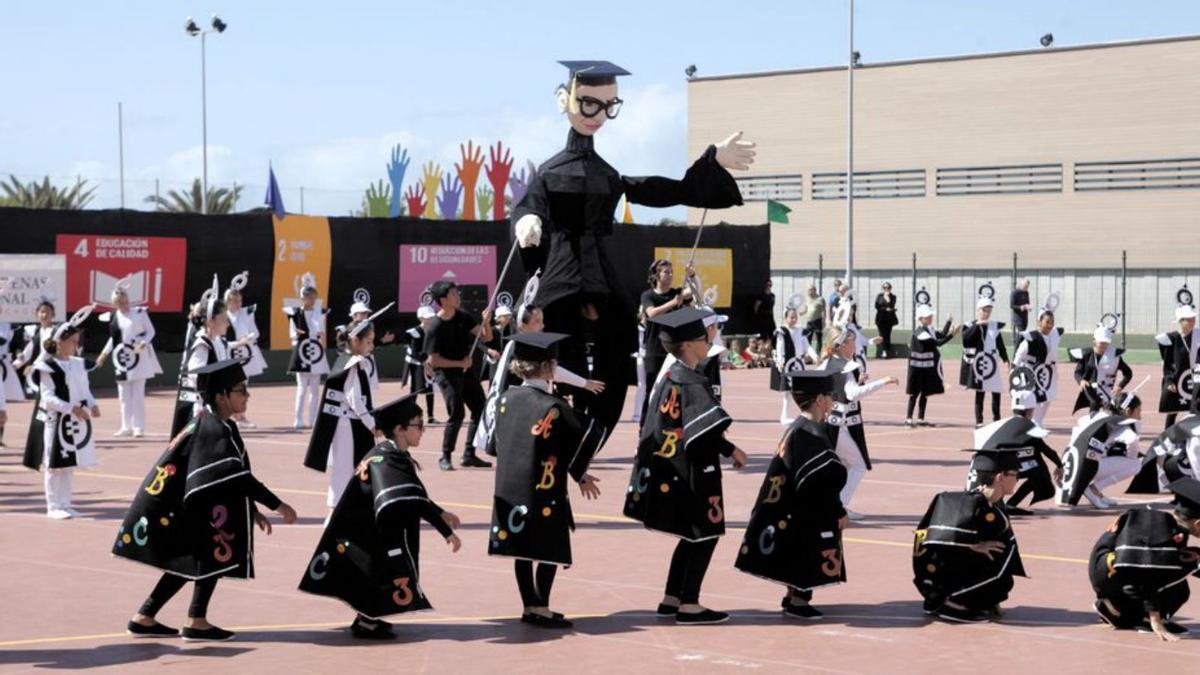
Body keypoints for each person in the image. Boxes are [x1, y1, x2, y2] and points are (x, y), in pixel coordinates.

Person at [512, 59, 752, 448]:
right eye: (589, 104)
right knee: (546, 338)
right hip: (558, 275)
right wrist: (527, 222)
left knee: (617, 335)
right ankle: (544, 424)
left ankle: (591, 431)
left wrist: (712, 160)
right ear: (565, 100)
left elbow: (665, 190)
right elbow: (528, 204)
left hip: (599, 277)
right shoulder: (550, 172)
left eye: (609, 106)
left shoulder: (608, 175)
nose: (599, 115)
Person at [116, 359, 297, 642]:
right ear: (221, 395)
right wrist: (277, 504)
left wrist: (252, 510)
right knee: (210, 553)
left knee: (194, 559)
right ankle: (196, 620)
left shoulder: (215, 423)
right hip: (175, 507)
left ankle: (145, 616)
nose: (247, 396)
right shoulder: (211, 427)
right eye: (241, 390)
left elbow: (231, 475)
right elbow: (236, 475)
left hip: (184, 505)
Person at [299, 393, 462, 640]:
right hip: (369, 528)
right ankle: (366, 621)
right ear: (400, 429)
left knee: (378, 571)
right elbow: (412, 499)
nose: (423, 431)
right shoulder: (388, 458)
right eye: (418, 425)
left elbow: (414, 493)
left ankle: (368, 618)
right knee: (378, 571)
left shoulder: (386, 452)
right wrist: (445, 530)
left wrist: (440, 511)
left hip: (365, 525)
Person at [623, 307, 748, 624]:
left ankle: (672, 596)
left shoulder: (668, 378)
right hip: (694, 472)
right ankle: (689, 603)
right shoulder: (691, 381)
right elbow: (702, 432)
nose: (709, 340)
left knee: (689, 534)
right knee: (705, 533)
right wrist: (731, 449)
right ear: (690, 345)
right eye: (703, 336)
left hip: (670, 468)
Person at [488, 332, 605, 628]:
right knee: (549, 547)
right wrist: (579, 473)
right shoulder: (553, 406)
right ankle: (541, 605)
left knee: (522, 547)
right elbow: (587, 432)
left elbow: (492, 444)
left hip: (511, 485)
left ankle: (529, 604)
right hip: (544, 487)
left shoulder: (505, 398)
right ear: (550, 367)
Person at [735, 369, 849, 619]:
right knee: (805, 545)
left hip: (786, 502)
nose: (832, 400)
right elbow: (822, 477)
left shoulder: (799, 427)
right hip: (803, 506)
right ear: (820, 400)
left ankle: (792, 595)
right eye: (830, 395)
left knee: (795, 545)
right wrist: (838, 509)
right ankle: (799, 599)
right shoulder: (812, 434)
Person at [475, 297, 603, 457]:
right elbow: (551, 371)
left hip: (529, 401)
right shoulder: (517, 346)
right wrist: (584, 383)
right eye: (537, 321)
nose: (542, 325)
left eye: (542, 321)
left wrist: (585, 383)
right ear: (523, 325)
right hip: (518, 404)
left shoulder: (531, 344)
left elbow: (553, 371)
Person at [913, 447, 1027, 623]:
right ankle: (951, 603)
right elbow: (930, 539)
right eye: (1015, 474)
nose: (1017, 479)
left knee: (1003, 582)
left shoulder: (993, 503)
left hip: (956, 568)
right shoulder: (970, 503)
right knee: (999, 570)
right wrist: (972, 545)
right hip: (938, 574)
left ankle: (969, 600)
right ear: (1000, 476)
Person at [1089, 478, 1200, 641]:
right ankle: (1148, 620)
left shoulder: (1160, 522)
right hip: (1120, 575)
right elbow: (1148, 578)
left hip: (1105, 571)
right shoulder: (1170, 537)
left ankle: (1117, 610)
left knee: (1177, 563)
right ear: (1198, 524)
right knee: (1186, 568)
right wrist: (1155, 619)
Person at [21, 307, 99, 519]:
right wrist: (71, 408)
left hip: (74, 423)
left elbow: (85, 388)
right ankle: (53, 505)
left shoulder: (77, 364)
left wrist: (92, 404)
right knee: (54, 464)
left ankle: (65, 504)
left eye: (77, 341)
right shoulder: (47, 367)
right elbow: (47, 398)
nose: (76, 345)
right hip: (55, 423)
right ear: (59, 342)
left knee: (68, 464)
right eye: (72, 341)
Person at [820, 326, 897, 520]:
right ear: (843, 345)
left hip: (827, 423)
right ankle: (840, 507)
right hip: (839, 426)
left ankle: (833, 504)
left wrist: (857, 380)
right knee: (859, 465)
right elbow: (852, 394)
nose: (856, 345)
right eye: (852, 341)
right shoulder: (849, 366)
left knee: (841, 466)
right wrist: (883, 381)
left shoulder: (827, 364)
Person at [303, 318, 379, 510]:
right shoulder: (352, 363)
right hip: (347, 426)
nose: (372, 345)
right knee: (343, 470)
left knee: (350, 468)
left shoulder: (348, 360)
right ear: (355, 341)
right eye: (368, 341)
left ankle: (345, 508)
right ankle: (334, 512)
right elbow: (355, 399)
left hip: (348, 425)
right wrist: (372, 424)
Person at [424, 280, 493, 471]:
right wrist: (460, 363)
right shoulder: (435, 326)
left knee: (480, 407)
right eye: (454, 294)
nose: (458, 297)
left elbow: (486, 337)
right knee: (457, 413)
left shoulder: (463, 316)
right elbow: (433, 360)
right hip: (446, 373)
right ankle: (445, 456)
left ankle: (469, 454)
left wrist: (486, 322)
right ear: (443, 299)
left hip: (466, 371)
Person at [968, 387, 1061, 516]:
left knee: (1034, 463)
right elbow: (1047, 450)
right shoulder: (1028, 426)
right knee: (1039, 469)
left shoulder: (1002, 424)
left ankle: (1002, 504)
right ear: (1030, 411)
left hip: (978, 466)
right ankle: (1010, 503)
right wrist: (1060, 465)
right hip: (997, 472)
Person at [95, 284, 163, 438]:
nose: (123, 305)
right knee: (123, 395)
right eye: (119, 303)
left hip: (139, 358)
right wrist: (103, 354)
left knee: (138, 394)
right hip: (121, 361)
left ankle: (138, 427)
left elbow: (150, 331)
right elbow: (113, 339)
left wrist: (143, 343)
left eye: (124, 301)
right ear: (114, 303)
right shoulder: (113, 317)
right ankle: (126, 426)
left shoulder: (139, 313)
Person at [1058, 392, 1143, 508]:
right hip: (1085, 467)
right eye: (1138, 411)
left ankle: (1092, 490)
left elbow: (1081, 423)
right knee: (1136, 464)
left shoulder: (1094, 415)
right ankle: (1094, 489)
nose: (1140, 416)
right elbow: (1132, 440)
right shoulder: (1119, 424)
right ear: (1128, 411)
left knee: (1099, 451)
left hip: (1067, 467)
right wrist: (1131, 457)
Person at [171, 285, 230, 437]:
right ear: (211, 321)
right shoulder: (202, 344)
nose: (227, 323)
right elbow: (195, 375)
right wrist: (205, 401)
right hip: (202, 409)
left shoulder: (217, 342)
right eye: (224, 318)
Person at [639, 259, 694, 419]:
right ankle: (645, 428)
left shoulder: (676, 292)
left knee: (675, 390)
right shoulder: (648, 295)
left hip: (675, 351)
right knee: (653, 390)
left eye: (671, 272)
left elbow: (695, 292)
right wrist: (673, 303)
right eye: (666, 272)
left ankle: (670, 425)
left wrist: (691, 275)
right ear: (656, 275)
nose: (670, 276)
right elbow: (652, 313)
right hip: (654, 351)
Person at [905, 304, 960, 428]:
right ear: (920, 319)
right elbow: (937, 343)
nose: (930, 318)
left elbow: (940, 334)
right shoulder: (919, 333)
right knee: (914, 393)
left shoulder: (929, 329)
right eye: (927, 317)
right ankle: (908, 419)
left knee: (925, 392)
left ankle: (920, 418)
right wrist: (952, 334)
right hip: (917, 368)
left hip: (926, 367)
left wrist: (949, 322)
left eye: (930, 316)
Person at [284, 281, 330, 430]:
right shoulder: (294, 313)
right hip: (301, 353)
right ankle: (297, 418)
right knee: (302, 389)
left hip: (315, 354)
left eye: (312, 296)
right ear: (302, 298)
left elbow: (322, 334)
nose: (309, 299)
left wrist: (320, 344)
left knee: (315, 390)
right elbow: (292, 333)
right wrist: (298, 335)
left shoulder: (320, 313)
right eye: (306, 296)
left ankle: (313, 418)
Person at [223, 274, 267, 428]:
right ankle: (233, 416)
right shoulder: (222, 315)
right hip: (229, 354)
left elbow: (255, 332)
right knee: (231, 386)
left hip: (246, 355)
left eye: (239, 300)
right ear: (228, 301)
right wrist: (236, 343)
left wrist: (248, 339)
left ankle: (241, 416)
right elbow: (221, 339)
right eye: (235, 301)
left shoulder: (247, 313)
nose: (238, 303)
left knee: (243, 385)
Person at [960, 295, 1009, 427]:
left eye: (988, 311)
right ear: (978, 310)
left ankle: (997, 420)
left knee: (996, 391)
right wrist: (978, 325)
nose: (986, 313)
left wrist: (1006, 360)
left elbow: (1000, 345)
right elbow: (965, 339)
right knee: (980, 392)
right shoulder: (970, 325)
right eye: (984, 310)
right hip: (980, 364)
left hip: (992, 363)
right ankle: (979, 421)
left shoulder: (994, 327)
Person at [1013, 306, 1065, 427]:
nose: (1050, 325)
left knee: (1048, 396)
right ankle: (1030, 420)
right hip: (1034, 371)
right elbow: (1019, 354)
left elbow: (1061, 330)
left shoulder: (1054, 334)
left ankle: (1038, 420)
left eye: (1052, 322)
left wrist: (1049, 311)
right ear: (1039, 322)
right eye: (1047, 322)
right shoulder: (1031, 337)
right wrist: (1014, 367)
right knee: (1033, 396)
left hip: (1049, 372)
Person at [1127, 414, 1200, 494]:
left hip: (1172, 464)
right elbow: (1194, 456)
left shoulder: (1188, 420)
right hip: (1177, 467)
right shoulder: (1194, 429)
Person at [1070, 325, 1133, 416]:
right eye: (1101, 342)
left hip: (1107, 389)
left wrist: (1120, 386)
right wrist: (1081, 381)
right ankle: (1091, 423)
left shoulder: (1114, 355)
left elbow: (1128, 373)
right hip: (1089, 387)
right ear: (1094, 340)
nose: (1104, 345)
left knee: (1113, 411)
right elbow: (1077, 372)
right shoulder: (1086, 354)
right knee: (1095, 403)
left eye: (1106, 343)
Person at [771, 307, 819, 424]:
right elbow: (779, 347)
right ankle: (784, 415)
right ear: (786, 318)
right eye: (791, 317)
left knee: (801, 389)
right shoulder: (782, 331)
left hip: (799, 364)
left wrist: (814, 356)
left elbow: (807, 346)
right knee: (787, 391)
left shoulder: (800, 331)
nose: (793, 320)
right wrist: (780, 361)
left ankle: (805, 414)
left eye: (795, 317)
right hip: (788, 364)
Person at [1155, 302, 1198, 428]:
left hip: (1196, 377)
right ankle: (1168, 438)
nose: (1192, 321)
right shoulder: (1171, 338)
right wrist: (1169, 381)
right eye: (1188, 319)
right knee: (1173, 410)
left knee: (1197, 408)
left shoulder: (1199, 335)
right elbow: (1167, 364)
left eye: (1193, 318)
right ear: (1180, 321)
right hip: (1178, 379)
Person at [403, 305, 438, 425]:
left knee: (430, 389)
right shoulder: (415, 332)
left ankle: (431, 417)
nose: (430, 320)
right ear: (421, 318)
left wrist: (430, 362)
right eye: (428, 317)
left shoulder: (433, 331)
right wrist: (425, 363)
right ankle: (408, 416)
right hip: (417, 364)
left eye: (432, 317)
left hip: (428, 362)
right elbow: (414, 352)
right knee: (415, 389)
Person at [0, 321, 25, 447]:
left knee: (1, 402)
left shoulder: (11, 326)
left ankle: (0, 435)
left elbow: (17, 346)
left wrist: (20, 356)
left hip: (4, 365)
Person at [873, 282, 898, 359]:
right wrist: (885, 308)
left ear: (890, 288)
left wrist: (887, 298)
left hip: (889, 319)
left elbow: (892, 305)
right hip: (881, 319)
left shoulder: (893, 296)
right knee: (882, 334)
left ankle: (887, 351)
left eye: (888, 287)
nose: (886, 289)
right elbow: (877, 306)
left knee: (887, 335)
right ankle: (883, 351)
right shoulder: (879, 296)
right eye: (885, 288)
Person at [804, 286, 826, 353]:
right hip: (809, 322)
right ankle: (809, 354)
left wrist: (824, 320)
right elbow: (806, 309)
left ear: (814, 290)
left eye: (810, 290)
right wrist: (802, 312)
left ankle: (818, 353)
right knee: (808, 338)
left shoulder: (820, 299)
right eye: (808, 290)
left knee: (819, 338)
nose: (808, 292)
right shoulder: (807, 299)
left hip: (817, 321)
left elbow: (823, 310)